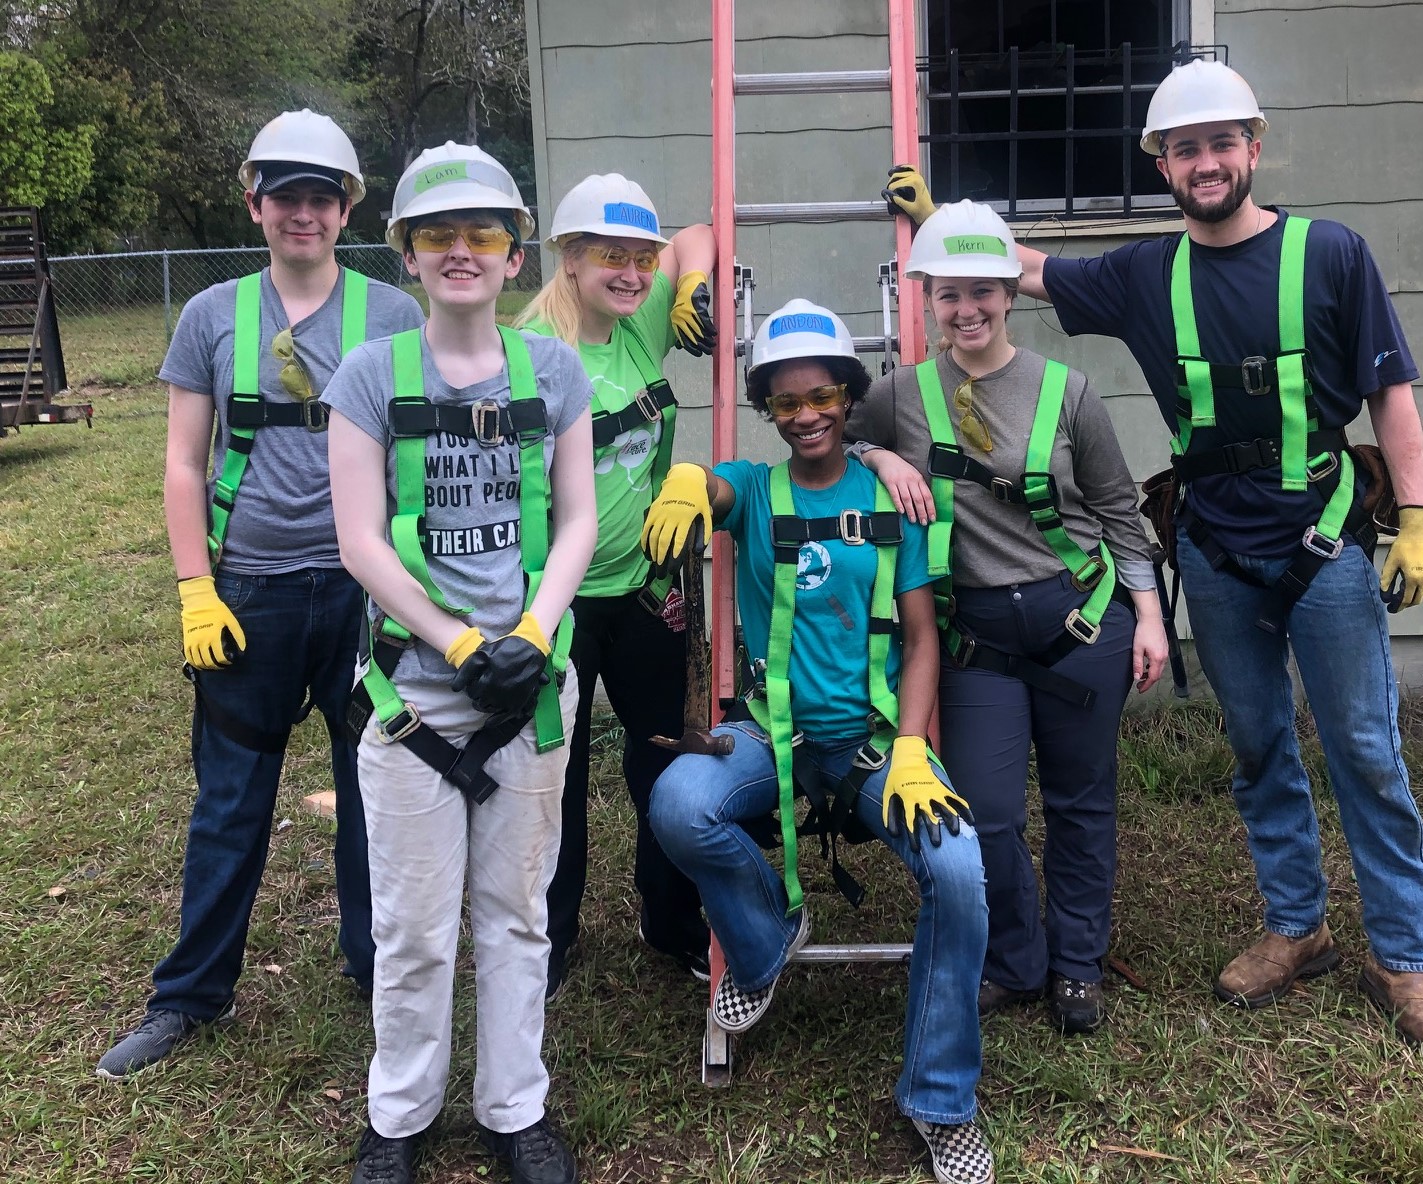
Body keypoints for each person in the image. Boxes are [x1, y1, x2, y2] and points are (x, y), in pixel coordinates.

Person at [885, 58, 1423, 1060]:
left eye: (1221, 142)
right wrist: (952, 229)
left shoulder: (1331, 256)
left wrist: (1416, 515)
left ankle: (1406, 959)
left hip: (1323, 539)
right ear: (1162, 161)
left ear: (1254, 146)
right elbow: (1027, 273)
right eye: (1184, 147)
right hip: (1215, 548)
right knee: (1257, 744)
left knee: (1364, 748)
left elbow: (1392, 391)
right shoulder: (1149, 273)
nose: (1205, 161)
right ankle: (1298, 924)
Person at [98, 110, 424, 1080]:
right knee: (231, 796)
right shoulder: (211, 315)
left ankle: (379, 974)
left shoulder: (393, 316)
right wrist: (196, 587)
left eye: (322, 196)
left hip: (364, 590)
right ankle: (190, 994)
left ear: (347, 208)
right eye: (285, 194)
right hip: (248, 592)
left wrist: (415, 588)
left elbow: (416, 454)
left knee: (374, 786)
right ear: (256, 203)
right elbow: (181, 463)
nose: (304, 212)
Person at [643, 300, 995, 1184]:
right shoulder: (755, 492)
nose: (804, 415)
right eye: (784, 401)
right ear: (766, 407)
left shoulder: (891, 497)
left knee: (957, 874)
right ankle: (766, 944)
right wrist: (689, 480)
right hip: (771, 733)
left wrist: (912, 747)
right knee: (679, 805)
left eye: (821, 396)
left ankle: (939, 1100)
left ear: (847, 396)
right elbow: (711, 486)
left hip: (874, 742)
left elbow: (919, 639)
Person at [323, 142, 597, 1183]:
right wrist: (461, 641)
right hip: (413, 698)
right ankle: (398, 1116)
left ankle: (514, 1107)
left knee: (517, 913)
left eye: (483, 233)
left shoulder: (555, 373)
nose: (461, 250)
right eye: (438, 234)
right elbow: (361, 539)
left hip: (529, 691)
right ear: (406, 253)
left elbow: (574, 519)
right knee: (415, 926)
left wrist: (530, 633)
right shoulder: (369, 377)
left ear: (516, 251)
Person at [843, 202, 1167, 1035]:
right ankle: (1017, 959)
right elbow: (828, 440)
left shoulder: (1067, 391)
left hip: (1079, 619)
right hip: (975, 633)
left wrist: (1151, 618)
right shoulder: (899, 396)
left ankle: (1077, 966)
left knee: (1080, 800)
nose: (967, 311)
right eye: (949, 295)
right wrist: (876, 452)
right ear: (927, 301)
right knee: (984, 810)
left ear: (1007, 295)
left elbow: (1118, 508)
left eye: (982, 292)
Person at [515, 175, 718, 995]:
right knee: (550, 768)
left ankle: (667, 918)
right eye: (612, 257)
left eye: (641, 258)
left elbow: (698, 226)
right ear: (569, 259)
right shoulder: (527, 354)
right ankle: (550, 938)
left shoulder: (637, 330)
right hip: (555, 597)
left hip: (642, 588)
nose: (633, 273)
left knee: (664, 759)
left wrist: (691, 282)